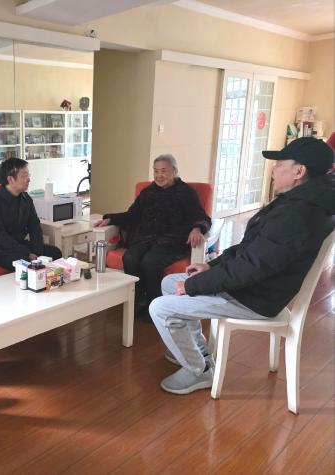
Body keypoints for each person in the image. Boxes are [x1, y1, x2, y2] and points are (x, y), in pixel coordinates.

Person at [149, 136, 334, 394]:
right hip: (252, 286)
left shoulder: (298, 215)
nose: (274, 169)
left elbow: (250, 267)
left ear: (299, 172)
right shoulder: (298, 201)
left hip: (254, 297)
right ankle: (198, 352)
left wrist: (193, 286)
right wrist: (211, 267)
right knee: (170, 283)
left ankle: (199, 371)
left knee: (160, 308)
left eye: (280, 163)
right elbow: (251, 250)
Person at [92, 155, 209, 319]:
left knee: (150, 262)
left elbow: (201, 217)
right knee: (130, 257)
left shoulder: (186, 193)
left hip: (172, 240)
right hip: (146, 238)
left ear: (174, 171)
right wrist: (110, 219)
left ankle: (154, 304)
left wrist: (197, 229)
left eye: (163, 171)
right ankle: (136, 298)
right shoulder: (148, 192)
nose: (159, 176)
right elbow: (132, 215)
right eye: (156, 171)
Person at [0, 157, 62, 268]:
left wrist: (37, 251)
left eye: (28, 175)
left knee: (55, 252)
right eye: (24, 175)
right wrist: (27, 253)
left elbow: (34, 226)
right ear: (10, 179)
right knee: (25, 262)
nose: (28, 179)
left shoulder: (26, 198)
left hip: (19, 244)